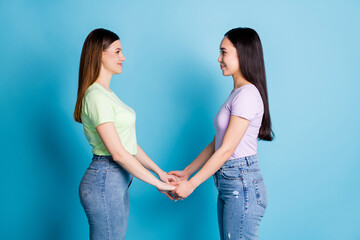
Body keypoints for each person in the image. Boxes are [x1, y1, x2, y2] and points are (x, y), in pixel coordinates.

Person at [169, 27, 274, 240]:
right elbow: (216, 143)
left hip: (242, 185)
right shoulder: (237, 93)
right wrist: (187, 172)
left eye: (224, 52)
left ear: (242, 53)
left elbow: (226, 149)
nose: (219, 58)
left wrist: (192, 184)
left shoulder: (247, 95)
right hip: (231, 183)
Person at [74, 28, 176, 240]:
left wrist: (160, 172)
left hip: (115, 180)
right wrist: (157, 184)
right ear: (99, 54)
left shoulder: (107, 95)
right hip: (105, 179)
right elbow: (118, 153)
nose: (123, 57)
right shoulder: (95, 96)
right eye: (118, 51)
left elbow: (129, 146)